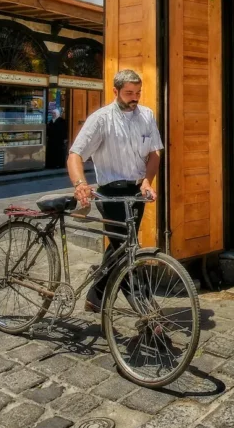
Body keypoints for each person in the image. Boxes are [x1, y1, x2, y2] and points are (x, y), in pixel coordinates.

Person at [67, 68, 162, 312]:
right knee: (127, 251)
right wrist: (80, 185)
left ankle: (95, 296)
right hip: (111, 192)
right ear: (115, 91)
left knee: (122, 246)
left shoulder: (147, 115)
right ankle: (145, 308)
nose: (134, 97)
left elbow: (154, 153)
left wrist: (147, 181)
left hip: (136, 192)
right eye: (129, 92)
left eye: (138, 92)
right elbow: (75, 154)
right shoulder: (101, 119)